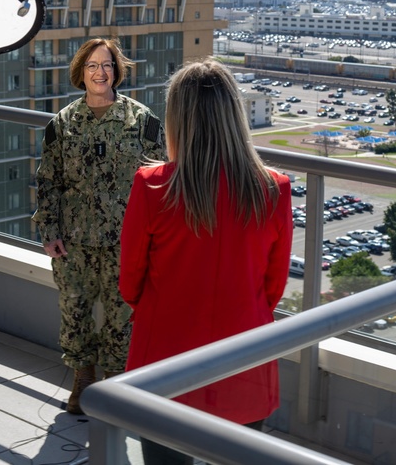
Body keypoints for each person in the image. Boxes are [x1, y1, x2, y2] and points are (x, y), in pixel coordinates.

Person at [119, 58, 293, 464]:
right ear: (236, 113)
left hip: (166, 355)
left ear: (176, 118)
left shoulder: (153, 185)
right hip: (244, 353)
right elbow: (273, 285)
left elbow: (130, 280)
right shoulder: (273, 189)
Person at [32, 37, 165, 415]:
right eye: (92, 65)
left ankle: (115, 387)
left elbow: (160, 182)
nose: (100, 72)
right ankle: (82, 380)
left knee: (122, 317)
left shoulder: (142, 120)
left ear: (116, 71)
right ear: (81, 72)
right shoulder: (62, 123)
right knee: (74, 311)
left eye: (106, 65)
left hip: (127, 241)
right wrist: (49, 233)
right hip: (72, 240)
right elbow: (48, 181)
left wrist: (156, 241)